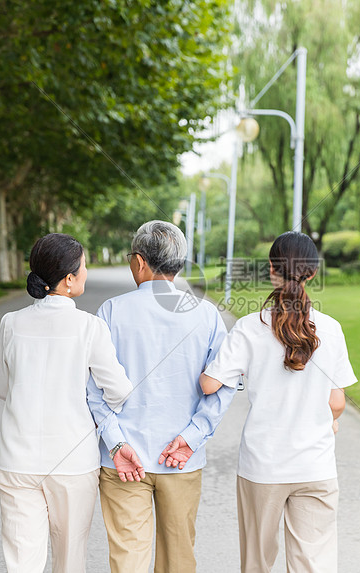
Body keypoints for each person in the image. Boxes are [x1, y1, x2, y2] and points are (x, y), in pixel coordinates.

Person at [200, 231, 358, 573]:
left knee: (257, 563)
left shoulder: (248, 328)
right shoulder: (331, 329)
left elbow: (210, 385)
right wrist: (329, 419)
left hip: (263, 465)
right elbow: (337, 402)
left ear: (271, 269)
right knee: (313, 564)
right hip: (315, 466)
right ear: (313, 273)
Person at [87, 220, 236, 573]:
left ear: (139, 262)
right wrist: (193, 436)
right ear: (179, 263)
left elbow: (93, 389)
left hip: (123, 459)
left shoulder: (110, 312)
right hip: (182, 458)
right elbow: (223, 383)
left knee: (128, 559)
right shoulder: (207, 314)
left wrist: (115, 441)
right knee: (179, 560)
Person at [0, 233, 136, 573]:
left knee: (21, 562)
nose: (86, 272)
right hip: (73, 462)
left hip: (17, 460)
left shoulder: (10, 323)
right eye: (84, 266)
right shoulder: (90, 327)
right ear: (69, 279)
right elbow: (119, 391)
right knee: (70, 561)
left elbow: (1, 387)